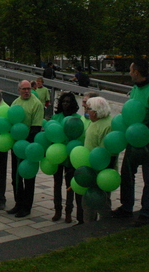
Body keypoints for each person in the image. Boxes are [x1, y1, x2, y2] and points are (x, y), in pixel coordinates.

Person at [112, 58, 149, 227]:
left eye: (130, 70)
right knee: (127, 174)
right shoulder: (135, 89)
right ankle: (126, 206)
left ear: (136, 71)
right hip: (132, 141)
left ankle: (146, 212)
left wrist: (144, 135)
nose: (129, 73)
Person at [8, 80, 44, 218]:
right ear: (19, 90)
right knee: (15, 177)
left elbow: (36, 128)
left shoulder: (36, 104)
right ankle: (18, 203)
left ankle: (26, 207)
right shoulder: (16, 103)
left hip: (29, 146)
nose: (26, 91)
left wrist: (24, 143)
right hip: (16, 146)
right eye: (24, 89)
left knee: (28, 177)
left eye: (28, 88)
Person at [51, 92, 85, 224]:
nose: (65, 104)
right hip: (57, 155)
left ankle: (69, 211)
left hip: (71, 157)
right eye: (63, 101)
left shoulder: (77, 119)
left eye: (68, 101)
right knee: (57, 184)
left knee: (70, 186)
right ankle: (57, 209)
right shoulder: (56, 117)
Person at [82, 96, 115, 222]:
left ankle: (103, 228)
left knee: (101, 202)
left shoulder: (107, 126)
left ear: (95, 112)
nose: (86, 110)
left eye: (88, 108)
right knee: (88, 203)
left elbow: (107, 154)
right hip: (90, 168)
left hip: (101, 172)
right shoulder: (94, 121)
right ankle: (89, 227)